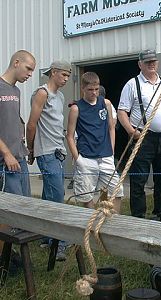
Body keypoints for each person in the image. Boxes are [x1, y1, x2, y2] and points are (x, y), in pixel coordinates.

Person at [118, 49, 161, 218]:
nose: (151, 64)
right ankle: (139, 218)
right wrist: (131, 131)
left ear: (157, 63)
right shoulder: (132, 84)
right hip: (143, 139)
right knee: (139, 181)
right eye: (147, 62)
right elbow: (122, 111)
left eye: (154, 61)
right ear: (140, 64)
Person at [26, 60, 72, 261]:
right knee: (57, 197)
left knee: (48, 196)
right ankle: (60, 243)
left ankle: (45, 237)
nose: (66, 79)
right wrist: (30, 149)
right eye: (64, 75)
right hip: (45, 152)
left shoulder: (60, 96)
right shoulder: (41, 93)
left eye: (69, 76)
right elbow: (31, 124)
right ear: (53, 73)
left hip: (57, 150)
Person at [66, 72, 123, 211]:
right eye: (90, 90)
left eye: (96, 89)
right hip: (86, 157)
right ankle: (91, 222)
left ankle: (113, 222)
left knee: (117, 190)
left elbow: (111, 127)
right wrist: (77, 158)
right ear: (83, 88)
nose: (94, 93)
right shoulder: (76, 108)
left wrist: (112, 150)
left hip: (106, 156)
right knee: (85, 194)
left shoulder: (105, 103)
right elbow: (70, 135)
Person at [0, 50, 36, 270]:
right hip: (6, 161)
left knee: (22, 209)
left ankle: (9, 255)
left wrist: (23, 150)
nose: (30, 74)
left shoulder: (16, 91)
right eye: (28, 68)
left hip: (19, 157)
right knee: (7, 211)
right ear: (16, 63)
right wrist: (6, 153)